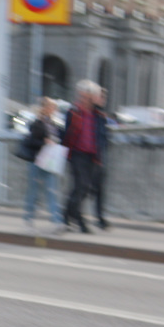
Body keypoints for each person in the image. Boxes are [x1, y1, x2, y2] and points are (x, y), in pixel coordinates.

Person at [61, 79, 107, 234]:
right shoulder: (73, 112)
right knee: (82, 187)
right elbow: (66, 133)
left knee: (82, 189)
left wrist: (100, 157)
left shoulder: (99, 116)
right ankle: (77, 220)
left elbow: (102, 137)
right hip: (77, 155)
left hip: (92, 157)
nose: (95, 97)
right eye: (92, 94)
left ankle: (69, 215)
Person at [21, 97, 64, 233]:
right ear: (45, 108)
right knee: (34, 191)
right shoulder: (37, 123)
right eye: (52, 107)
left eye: (54, 107)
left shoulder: (53, 124)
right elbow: (31, 141)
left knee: (51, 191)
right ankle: (28, 219)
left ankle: (56, 221)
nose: (54, 110)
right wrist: (44, 143)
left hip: (49, 162)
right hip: (37, 161)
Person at [91, 87, 112, 230]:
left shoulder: (101, 116)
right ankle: (72, 214)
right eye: (100, 97)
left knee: (99, 190)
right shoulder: (91, 115)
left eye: (104, 98)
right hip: (90, 158)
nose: (103, 100)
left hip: (99, 158)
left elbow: (103, 137)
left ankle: (100, 218)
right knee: (83, 190)